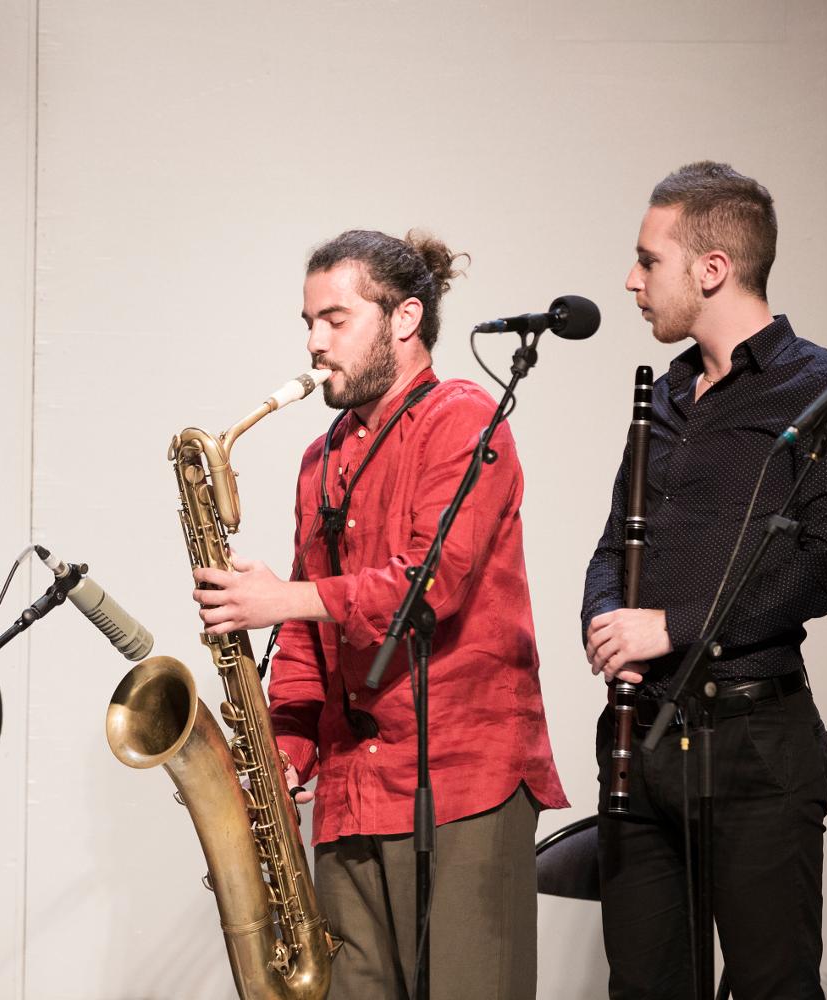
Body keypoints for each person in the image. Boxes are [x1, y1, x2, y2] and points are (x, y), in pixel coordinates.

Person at [193, 229, 566, 999]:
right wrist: (285, 754)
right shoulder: (319, 458)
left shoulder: (465, 418)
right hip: (350, 797)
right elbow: (303, 635)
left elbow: (431, 585)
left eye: (334, 319)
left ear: (404, 319)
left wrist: (280, 600)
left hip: (462, 784)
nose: (313, 342)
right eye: (307, 322)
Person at [582, 161, 827, 999]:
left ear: (712, 270)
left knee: (771, 986)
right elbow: (615, 542)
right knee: (644, 987)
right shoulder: (667, 394)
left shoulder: (824, 391)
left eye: (649, 261)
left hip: (754, 742)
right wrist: (605, 621)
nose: (631, 281)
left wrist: (674, 626)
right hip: (641, 737)